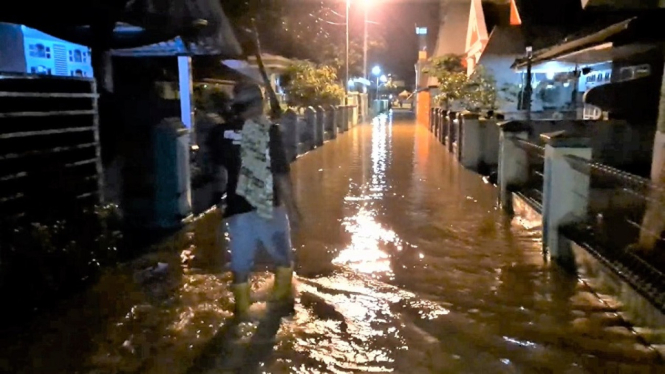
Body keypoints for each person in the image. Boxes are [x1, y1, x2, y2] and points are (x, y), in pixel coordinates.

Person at [208, 82, 301, 320]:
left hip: (236, 210)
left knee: (240, 266)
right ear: (259, 104)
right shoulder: (269, 131)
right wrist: (294, 209)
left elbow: (214, 170)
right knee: (283, 260)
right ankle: (278, 308)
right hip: (268, 207)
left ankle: (241, 315)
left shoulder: (219, 133)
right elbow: (281, 173)